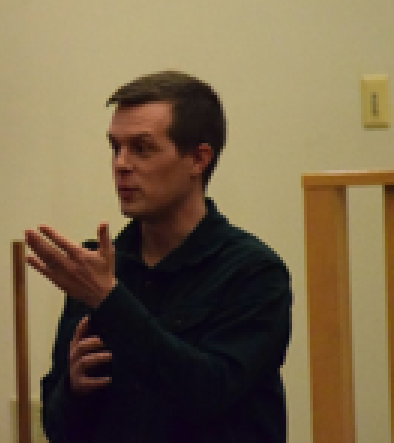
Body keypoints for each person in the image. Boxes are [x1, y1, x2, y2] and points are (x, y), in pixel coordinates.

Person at [24, 70, 292, 443]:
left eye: (142, 148)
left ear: (198, 159)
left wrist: (110, 302)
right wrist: (74, 391)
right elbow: (58, 429)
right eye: (115, 147)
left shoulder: (254, 272)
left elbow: (208, 394)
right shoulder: (97, 267)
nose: (121, 164)